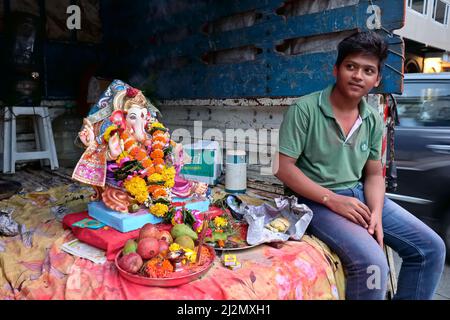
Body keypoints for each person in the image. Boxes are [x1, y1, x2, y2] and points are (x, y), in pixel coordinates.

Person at [274, 31, 445, 300]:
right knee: (373, 264)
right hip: (314, 201)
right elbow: (284, 168)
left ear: (376, 79)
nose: (357, 75)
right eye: (350, 66)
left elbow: (374, 174)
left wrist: (376, 213)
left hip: (360, 196)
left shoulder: (373, 119)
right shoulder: (304, 109)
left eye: (368, 70)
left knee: (432, 248)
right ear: (336, 70)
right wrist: (332, 200)